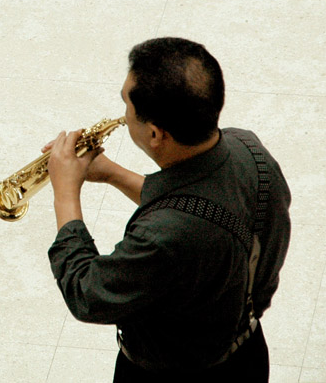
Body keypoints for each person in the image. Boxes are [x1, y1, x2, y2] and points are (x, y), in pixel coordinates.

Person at [46, 37, 291, 382]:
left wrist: (65, 194)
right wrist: (112, 173)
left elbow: (88, 292)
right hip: (246, 356)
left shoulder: (163, 238)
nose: (123, 116)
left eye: (127, 108)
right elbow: (200, 203)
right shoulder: (250, 151)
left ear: (155, 134)